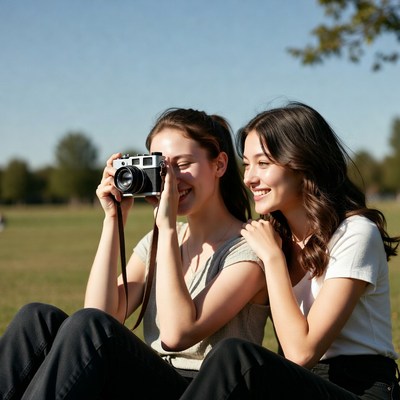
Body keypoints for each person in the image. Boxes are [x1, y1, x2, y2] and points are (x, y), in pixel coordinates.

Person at [0, 108, 269, 400]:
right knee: (36, 318)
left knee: (90, 327)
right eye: (162, 168)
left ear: (219, 165)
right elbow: (99, 314)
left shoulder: (249, 246)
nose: (171, 179)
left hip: (202, 387)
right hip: (149, 377)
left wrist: (165, 228)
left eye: (183, 164)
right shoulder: (160, 239)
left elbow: (177, 334)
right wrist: (113, 220)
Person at [180, 102, 400, 399]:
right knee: (229, 358)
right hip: (298, 384)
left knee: (235, 357)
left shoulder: (355, 233)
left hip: (358, 388)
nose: (249, 178)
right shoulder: (271, 235)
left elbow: (301, 352)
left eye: (263, 163)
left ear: (302, 163)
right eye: (246, 164)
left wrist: (272, 259)